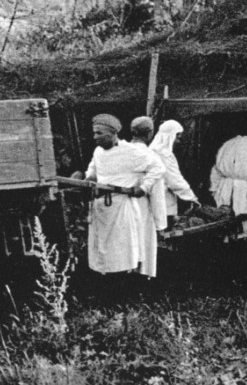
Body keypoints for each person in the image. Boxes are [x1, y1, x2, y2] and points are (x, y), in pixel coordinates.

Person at [82, 113, 164, 278]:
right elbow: (93, 171)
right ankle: (106, 281)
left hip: (121, 208)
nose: (95, 137)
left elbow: (158, 168)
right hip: (101, 209)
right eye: (94, 133)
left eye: (99, 133)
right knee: (102, 253)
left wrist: (144, 187)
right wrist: (89, 178)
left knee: (121, 252)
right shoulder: (98, 152)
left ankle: (124, 282)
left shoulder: (131, 151)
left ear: (113, 133)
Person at [127, 116, 167, 278]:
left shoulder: (119, 153)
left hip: (120, 207)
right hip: (141, 208)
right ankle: (139, 279)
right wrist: (160, 225)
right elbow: (157, 194)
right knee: (142, 245)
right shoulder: (151, 157)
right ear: (150, 133)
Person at [209, 134, 247, 238]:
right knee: (240, 226)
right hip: (242, 192)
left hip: (225, 189)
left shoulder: (226, 145)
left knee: (223, 223)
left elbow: (215, 171)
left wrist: (214, 190)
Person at [149, 120, 200, 223]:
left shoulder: (150, 151)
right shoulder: (164, 155)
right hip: (163, 202)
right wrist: (192, 197)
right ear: (170, 136)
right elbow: (174, 180)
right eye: (177, 137)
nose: (178, 141)